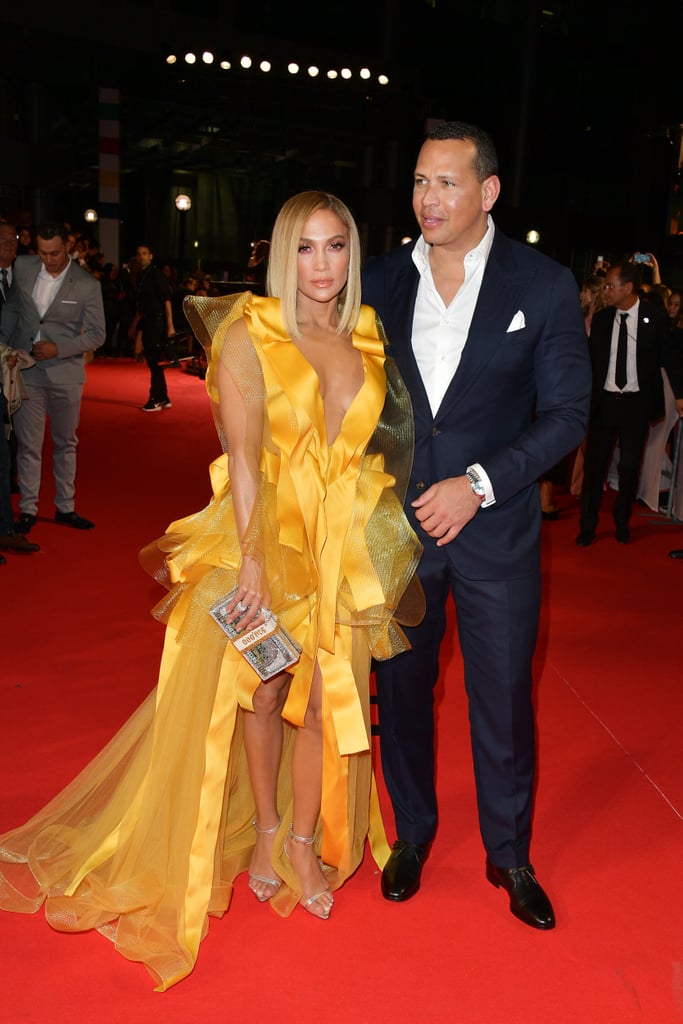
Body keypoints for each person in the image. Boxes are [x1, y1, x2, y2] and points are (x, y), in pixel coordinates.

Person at [0, 190, 424, 989]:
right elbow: (242, 458)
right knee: (261, 696)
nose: (323, 265)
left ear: (354, 255)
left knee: (322, 704)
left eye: (337, 247)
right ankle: (264, 830)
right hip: (263, 542)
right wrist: (256, 566)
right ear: (281, 253)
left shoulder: (366, 335)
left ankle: (303, 842)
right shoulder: (249, 334)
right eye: (306, 248)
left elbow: (378, 455)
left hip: (343, 547)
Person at [362, 120, 591, 928]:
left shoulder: (543, 285)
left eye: (447, 182)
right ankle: (411, 834)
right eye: (421, 181)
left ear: (487, 191)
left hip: (495, 533)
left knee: (501, 698)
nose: (429, 197)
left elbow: (566, 415)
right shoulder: (379, 279)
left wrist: (481, 484)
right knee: (401, 689)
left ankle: (509, 854)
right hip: (394, 532)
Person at [0, 222, 105, 534]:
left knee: (65, 443)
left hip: (66, 375)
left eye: (55, 253)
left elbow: (98, 334)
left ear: (68, 246)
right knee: (28, 446)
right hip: (27, 373)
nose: (49, 260)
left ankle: (65, 507)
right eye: (43, 253)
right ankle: (28, 509)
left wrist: (60, 348)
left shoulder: (87, 284)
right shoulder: (23, 266)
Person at [576, 259, 669, 546]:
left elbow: (671, 356)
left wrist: (677, 394)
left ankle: (621, 521)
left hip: (636, 404)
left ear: (628, 287)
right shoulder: (603, 320)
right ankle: (587, 526)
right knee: (595, 468)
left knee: (629, 468)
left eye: (610, 286)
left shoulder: (654, 315)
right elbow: (589, 362)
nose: (605, 291)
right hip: (605, 403)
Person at [129, 244, 175, 411]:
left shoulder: (156, 274)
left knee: (154, 361)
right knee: (153, 362)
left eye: (144, 253)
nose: (141, 256)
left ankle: (155, 399)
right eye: (138, 254)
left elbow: (166, 300)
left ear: (151, 256)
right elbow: (142, 304)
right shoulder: (142, 275)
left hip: (157, 322)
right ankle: (163, 397)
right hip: (148, 320)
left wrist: (170, 326)